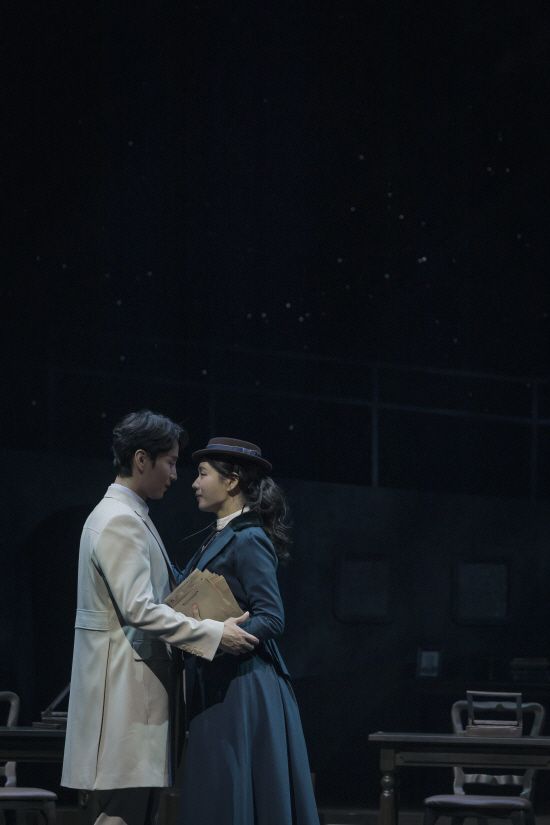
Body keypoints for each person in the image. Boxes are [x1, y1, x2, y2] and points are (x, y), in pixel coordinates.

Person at [61, 412, 258, 825]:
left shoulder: (130, 516)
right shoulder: (120, 520)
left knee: (132, 813)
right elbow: (139, 609)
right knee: (121, 815)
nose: (175, 474)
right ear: (141, 460)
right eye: (169, 462)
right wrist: (213, 633)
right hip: (123, 698)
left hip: (131, 696)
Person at [178, 436, 320, 825]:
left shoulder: (249, 537)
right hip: (219, 681)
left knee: (234, 790)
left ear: (232, 480)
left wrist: (221, 637)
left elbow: (272, 617)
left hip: (244, 686)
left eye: (203, 474)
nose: (195, 483)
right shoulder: (220, 534)